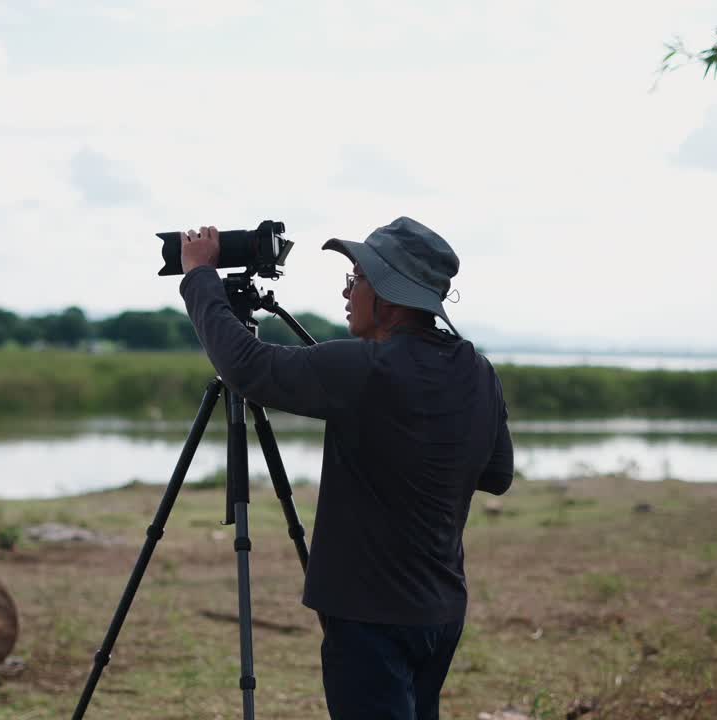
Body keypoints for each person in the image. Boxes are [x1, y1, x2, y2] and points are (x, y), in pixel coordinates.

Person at [178, 216, 514, 720]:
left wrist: (200, 278)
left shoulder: (367, 369)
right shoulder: (477, 370)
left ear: (389, 296)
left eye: (356, 278)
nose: (346, 291)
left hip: (369, 616)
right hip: (440, 611)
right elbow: (497, 474)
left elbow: (246, 367)